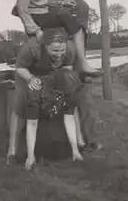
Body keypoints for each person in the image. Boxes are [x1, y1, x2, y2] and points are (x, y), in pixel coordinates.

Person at [9, 28, 85, 171]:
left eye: (61, 50)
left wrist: (59, 88)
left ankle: (78, 147)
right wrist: (31, 79)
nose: (59, 54)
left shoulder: (69, 48)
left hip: (54, 75)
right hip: (28, 72)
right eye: (55, 51)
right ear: (45, 46)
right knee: (20, 108)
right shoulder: (31, 48)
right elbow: (19, 67)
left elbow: (66, 69)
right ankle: (12, 151)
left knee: (70, 105)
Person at [54, 0, 102, 151]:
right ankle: (73, 142)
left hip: (75, 55)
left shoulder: (82, 6)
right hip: (55, 54)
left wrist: (80, 62)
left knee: (84, 97)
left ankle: (91, 140)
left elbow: (77, 34)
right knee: (65, 97)